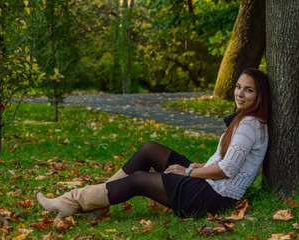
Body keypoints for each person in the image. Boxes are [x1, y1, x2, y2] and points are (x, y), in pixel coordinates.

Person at [37, 68, 270, 219]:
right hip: (211, 185)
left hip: (214, 197)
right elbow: (223, 162)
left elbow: (225, 170)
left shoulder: (249, 125)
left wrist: (187, 171)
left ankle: (72, 201)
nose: (239, 93)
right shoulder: (247, 120)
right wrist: (197, 166)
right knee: (150, 149)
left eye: (248, 90)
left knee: (139, 180)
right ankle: (98, 204)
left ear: (260, 96)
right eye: (238, 86)